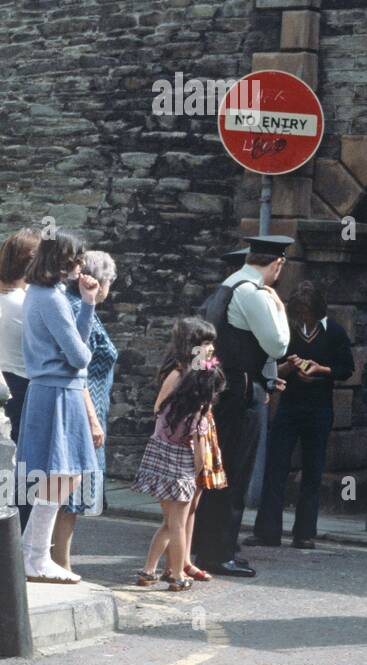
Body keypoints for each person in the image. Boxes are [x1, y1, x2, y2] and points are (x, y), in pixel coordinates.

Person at [192, 235, 292, 578]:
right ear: (277, 263)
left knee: (213, 473)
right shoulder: (252, 292)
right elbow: (278, 345)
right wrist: (279, 307)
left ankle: (202, 548)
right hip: (238, 393)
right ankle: (219, 553)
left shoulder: (226, 286)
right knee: (233, 474)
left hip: (220, 388)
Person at [15, 230, 100, 584]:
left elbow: (75, 349)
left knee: (63, 475)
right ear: (64, 260)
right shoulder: (50, 298)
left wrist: (88, 303)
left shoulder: (44, 293)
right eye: (77, 258)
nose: (81, 264)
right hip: (58, 391)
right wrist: (83, 348)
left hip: (53, 389)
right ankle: (34, 556)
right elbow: (80, 354)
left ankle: (32, 554)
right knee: (61, 475)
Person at [248, 281, 356, 549]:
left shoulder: (335, 333)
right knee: (276, 469)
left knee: (313, 471)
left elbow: (346, 369)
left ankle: (305, 533)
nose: (304, 316)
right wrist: (287, 367)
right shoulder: (286, 332)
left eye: (308, 311)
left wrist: (320, 370)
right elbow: (270, 369)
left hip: (319, 410)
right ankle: (267, 532)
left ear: (318, 310)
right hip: (289, 407)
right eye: (299, 311)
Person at [133, 332, 226, 592]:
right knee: (178, 525)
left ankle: (148, 571)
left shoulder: (173, 401)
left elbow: (158, 409)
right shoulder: (200, 414)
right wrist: (198, 471)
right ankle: (176, 575)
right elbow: (198, 451)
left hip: (159, 456)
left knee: (168, 522)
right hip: (182, 464)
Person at [53, 250, 118, 574]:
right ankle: (58, 562)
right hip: (81, 410)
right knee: (69, 492)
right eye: (109, 281)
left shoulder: (79, 306)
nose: (109, 288)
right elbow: (76, 371)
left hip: (88, 408)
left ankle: (57, 560)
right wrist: (92, 419)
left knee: (68, 490)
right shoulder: (81, 309)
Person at [0, 227, 40, 530]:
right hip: (21, 388)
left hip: (6, 382)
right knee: (24, 468)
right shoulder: (23, 304)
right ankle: (19, 539)